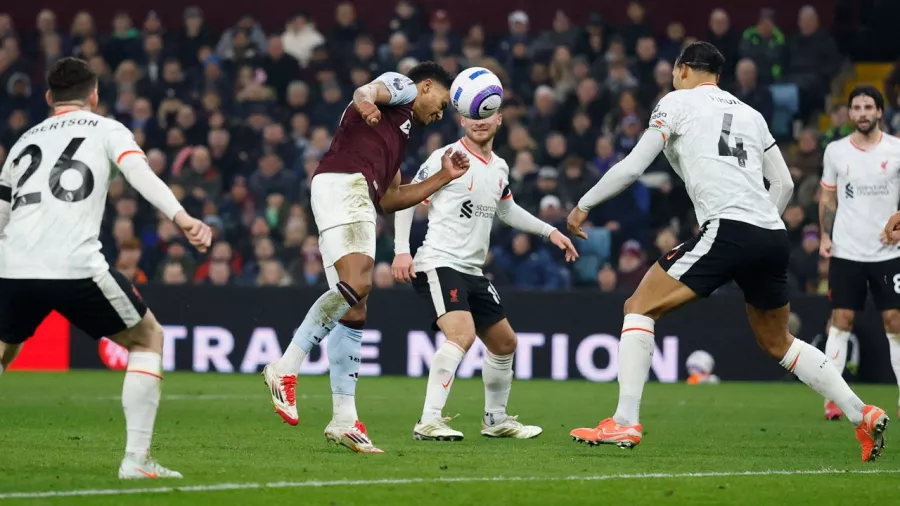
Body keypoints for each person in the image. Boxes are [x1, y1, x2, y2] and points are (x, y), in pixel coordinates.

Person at [566, 42, 889, 462]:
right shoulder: (750, 114)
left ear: (682, 69)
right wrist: (755, 229)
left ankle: (624, 421)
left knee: (638, 307)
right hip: (772, 234)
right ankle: (860, 412)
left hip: (730, 228)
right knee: (778, 341)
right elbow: (786, 185)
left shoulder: (675, 103)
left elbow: (632, 166)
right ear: (718, 75)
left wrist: (583, 205)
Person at [0, 57, 212, 478]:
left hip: (13, 264)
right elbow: (139, 173)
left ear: (48, 98)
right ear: (94, 96)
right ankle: (136, 460)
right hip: (74, 264)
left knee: (5, 347)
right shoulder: (107, 129)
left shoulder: (25, 140)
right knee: (148, 337)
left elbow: (2, 212)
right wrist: (182, 217)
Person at [262, 62, 467, 453]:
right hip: (345, 182)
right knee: (359, 283)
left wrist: (442, 178)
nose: (440, 114)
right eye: (441, 103)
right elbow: (363, 92)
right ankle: (284, 367)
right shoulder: (403, 88)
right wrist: (368, 104)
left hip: (351, 192)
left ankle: (343, 418)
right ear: (426, 86)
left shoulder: (397, 138)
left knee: (354, 306)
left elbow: (390, 200)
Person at [392, 111, 578, 441]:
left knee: (505, 343)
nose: (480, 122)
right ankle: (428, 420)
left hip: (472, 270)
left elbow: (507, 210)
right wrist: (401, 250)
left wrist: (549, 231)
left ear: (500, 120)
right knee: (461, 335)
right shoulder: (445, 157)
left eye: (487, 116)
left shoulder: (500, 167)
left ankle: (496, 419)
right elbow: (407, 197)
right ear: (462, 121)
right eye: (473, 117)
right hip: (438, 261)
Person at [820, 86, 900, 421]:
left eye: (869, 106)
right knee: (841, 321)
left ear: (880, 112)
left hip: (888, 251)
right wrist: (825, 233)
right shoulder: (836, 151)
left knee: (895, 322)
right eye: (857, 107)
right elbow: (827, 198)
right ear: (850, 113)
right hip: (847, 250)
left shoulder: (897, 150)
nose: (863, 112)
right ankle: (833, 397)